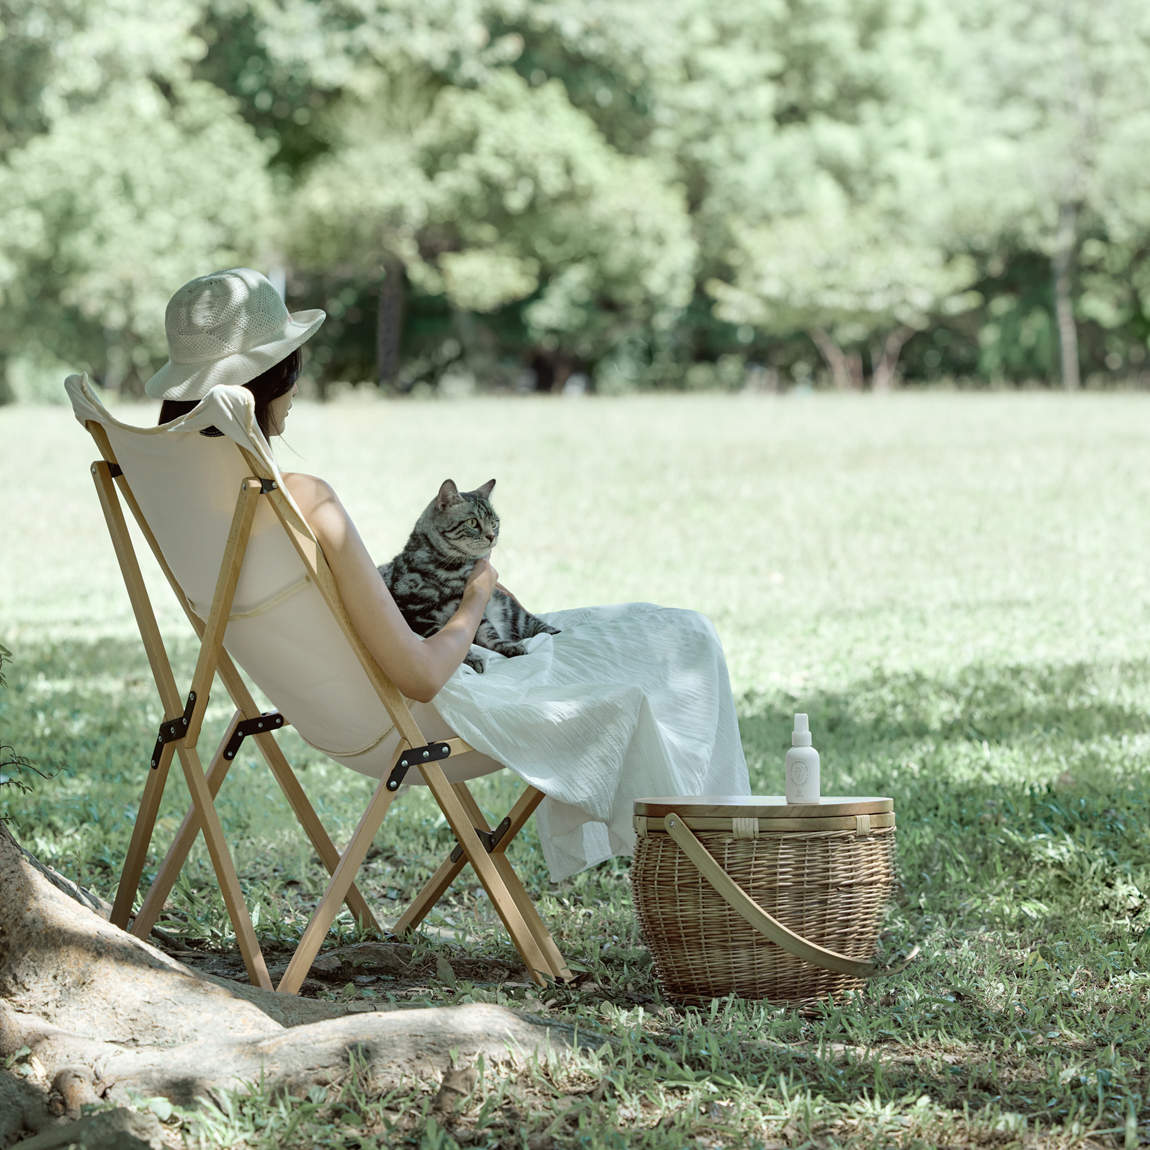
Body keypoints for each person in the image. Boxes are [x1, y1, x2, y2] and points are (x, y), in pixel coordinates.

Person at [146, 268, 749, 880]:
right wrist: (477, 593)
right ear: (265, 381)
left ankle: (707, 866)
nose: (296, 389)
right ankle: (725, 871)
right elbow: (423, 674)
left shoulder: (173, 500)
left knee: (676, 634)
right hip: (415, 717)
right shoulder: (302, 499)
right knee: (686, 637)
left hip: (331, 711)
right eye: (292, 370)